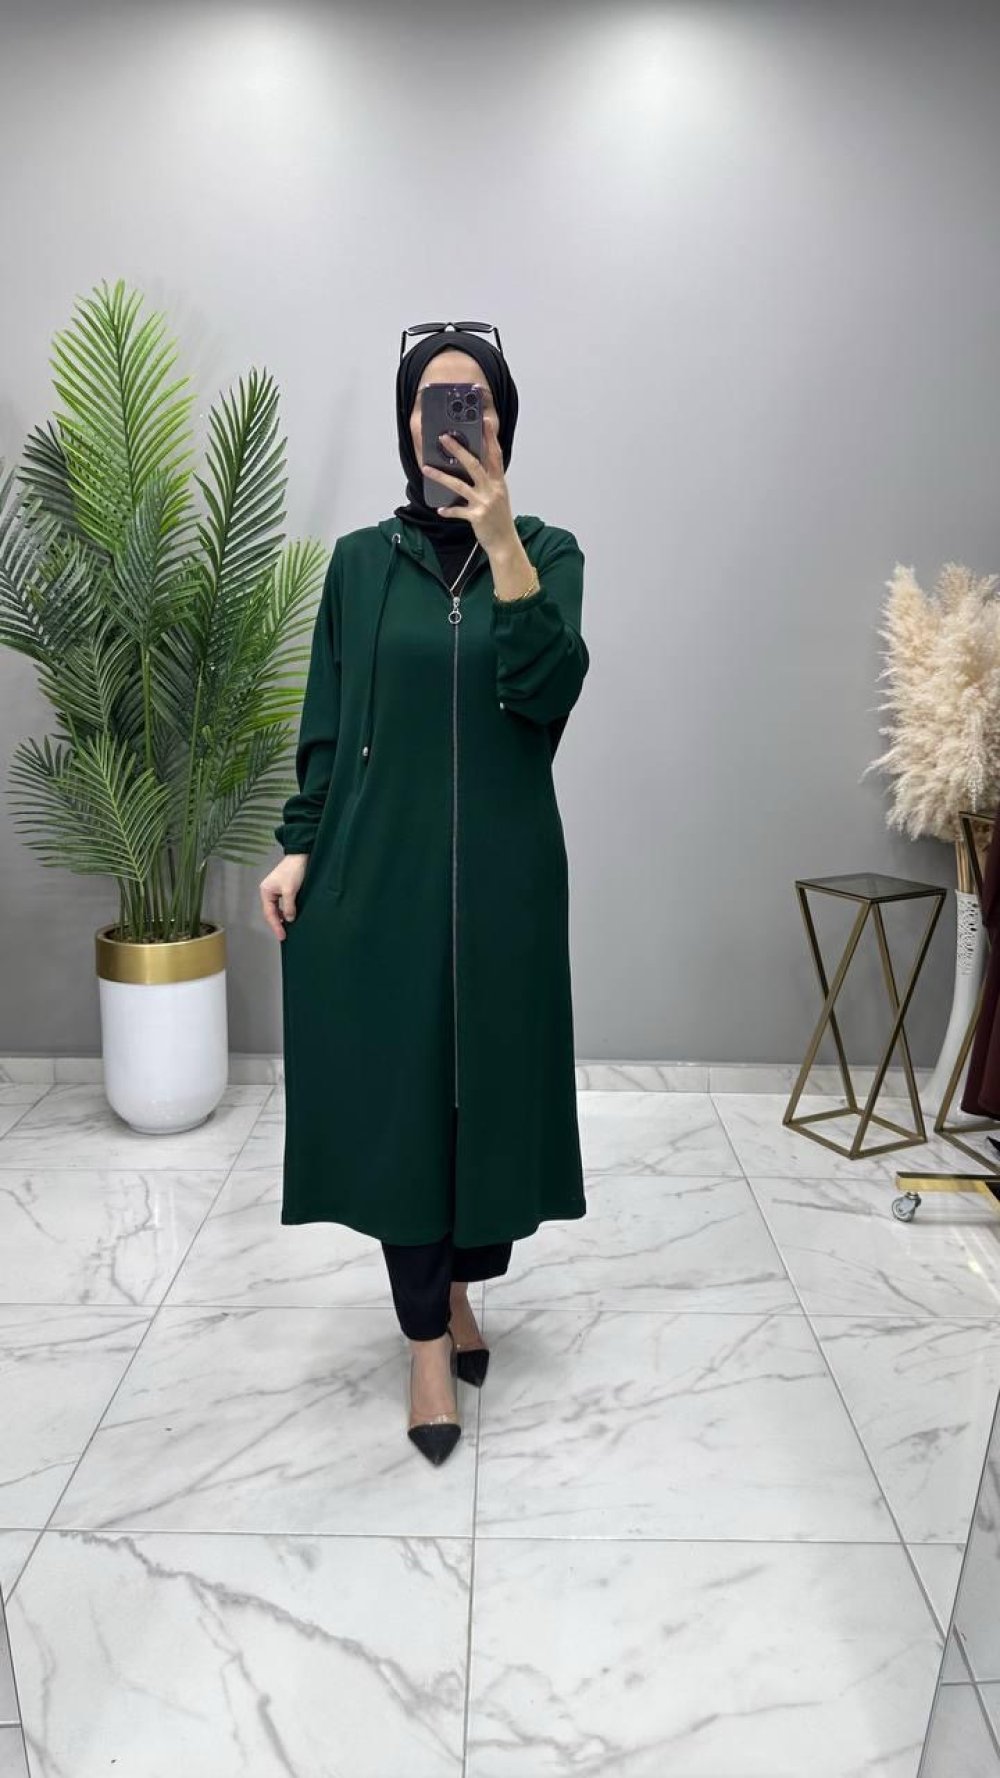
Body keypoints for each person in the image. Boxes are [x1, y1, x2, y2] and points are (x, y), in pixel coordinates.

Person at [260, 323, 590, 1466]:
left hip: (505, 875)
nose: (453, 417)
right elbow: (327, 714)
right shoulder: (359, 563)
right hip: (380, 867)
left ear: (502, 419)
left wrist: (499, 539)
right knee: (402, 1098)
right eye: (432, 399)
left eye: (474, 399)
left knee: (485, 1093)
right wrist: (299, 843)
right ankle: (423, 1342)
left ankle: (457, 1288)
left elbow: (546, 688)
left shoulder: (548, 550)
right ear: (407, 424)